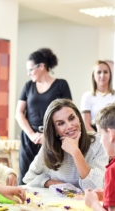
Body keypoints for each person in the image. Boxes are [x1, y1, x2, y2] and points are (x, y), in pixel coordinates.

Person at [15, 48, 72, 185]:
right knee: (25, 177)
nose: (28, 74)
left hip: (53, 138)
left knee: (50, 177)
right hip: (30, 139)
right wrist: (32, 135)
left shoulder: (61, 85)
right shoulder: (28, 86)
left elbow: (69, 113)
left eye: (30, 69)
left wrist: (48, 135)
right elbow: (19, 113)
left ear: (41, 66)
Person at [22, 99, 108, 190]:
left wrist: (75, 152)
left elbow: (95, 187)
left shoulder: (98, 142)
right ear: (55, 130)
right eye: (61, 123)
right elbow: (29, 177)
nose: (69, 125)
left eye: (71, 118)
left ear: (79, 118)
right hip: (58, 202)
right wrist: (53, 183)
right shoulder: (50, 147)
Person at [80, 60, 115, 132]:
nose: (102, 75)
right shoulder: (87, 96)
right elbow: (85, 124)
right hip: (94, 135)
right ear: (93, 76)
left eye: (105, 72)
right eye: (99, 72)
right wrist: (99, 138)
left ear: (110, 75)